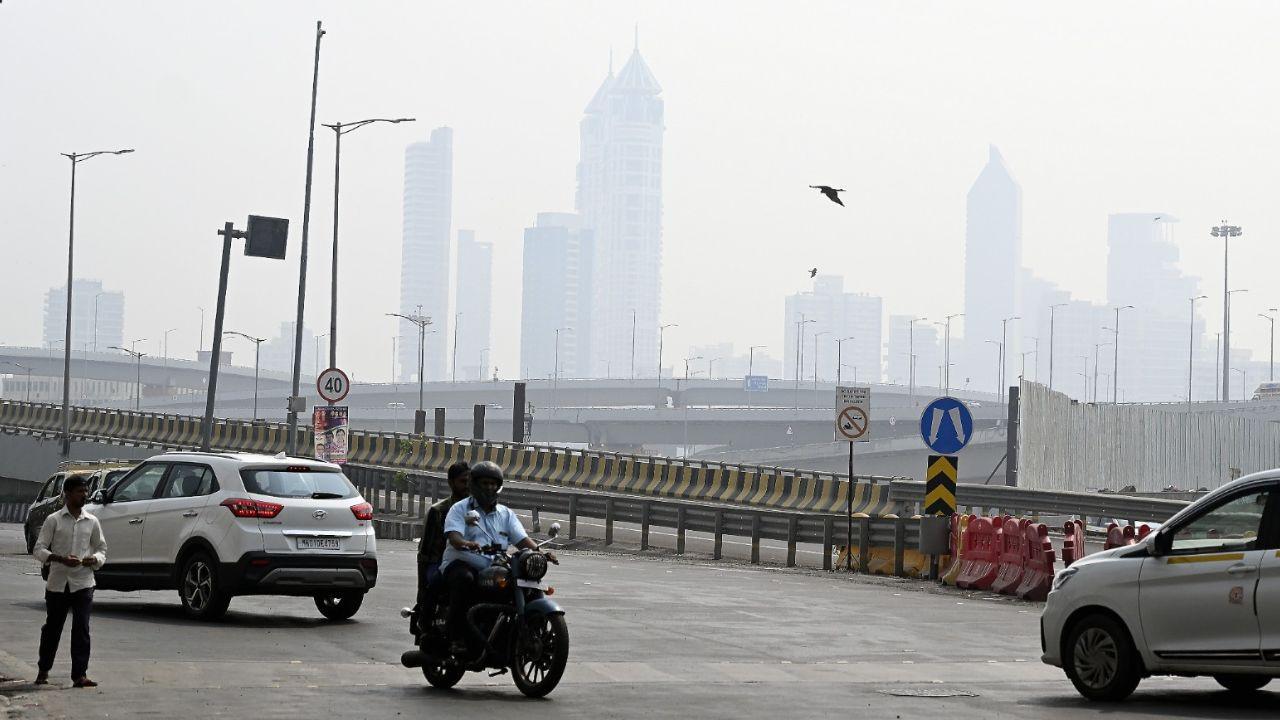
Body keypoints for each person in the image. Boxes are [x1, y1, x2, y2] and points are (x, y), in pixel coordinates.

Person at [441, 461, 556, 658]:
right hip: (463, 562)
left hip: (495, 566)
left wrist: (540, 552)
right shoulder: (460, 509)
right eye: (485, 483)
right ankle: (456, 638)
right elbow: (454, 536)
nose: (490, 487)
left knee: (529, 585)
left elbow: (521, 540)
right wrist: (465, 543)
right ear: (474, 484)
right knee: (464, 579)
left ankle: (530, 635)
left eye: (493, 484)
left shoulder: (505, 514)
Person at [32, 474, 107, 688]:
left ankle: (79, 675)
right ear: (67, 494)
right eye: (79, 491)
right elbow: (39, 549)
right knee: (53, 629)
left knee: (81, 628)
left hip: (83, 582)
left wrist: (95, 560)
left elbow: (102, 548)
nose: (84, 495)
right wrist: (59, 558)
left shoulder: (92, 521)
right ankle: (43, 669)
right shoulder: (53, 520)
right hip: (58, 583)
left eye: (85, 491)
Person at [415, 461, 471, 617]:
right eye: (463, 482)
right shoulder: (438, 511)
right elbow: (424, 553)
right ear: (451, 483)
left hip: (470, 562)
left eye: (470, 482)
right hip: (439, 563)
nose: (467, 486)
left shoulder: (480, 510)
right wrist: (421, 589)